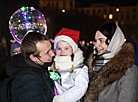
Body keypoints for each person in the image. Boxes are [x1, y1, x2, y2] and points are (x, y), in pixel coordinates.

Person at [84, 22, 138, 102]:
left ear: (114, 41)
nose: (96, 45)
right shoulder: (92, 65)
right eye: (96, 40)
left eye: (101, 41)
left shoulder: (129, 70)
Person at [6, 32, 55, 102]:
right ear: (33, 58)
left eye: (51, 49)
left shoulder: (37, 67)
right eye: (47, 52)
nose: (52, 54)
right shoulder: (28, 79)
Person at [52, 28, 89, 102]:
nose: (62, 51)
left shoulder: (80, 68)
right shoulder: (52, 66)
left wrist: (64, 98)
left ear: (73, 49)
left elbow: (81, 87)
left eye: (66, 48)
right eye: (59, 48)